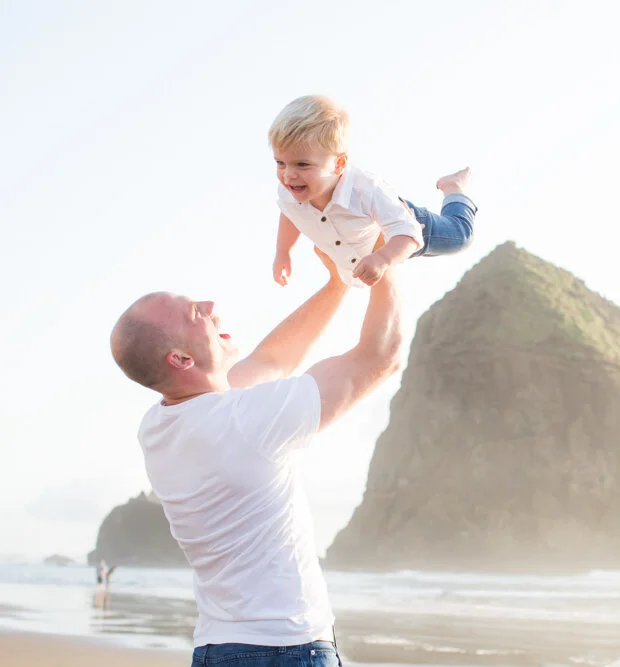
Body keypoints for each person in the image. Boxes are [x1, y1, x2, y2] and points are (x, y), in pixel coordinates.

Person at [109, 245, 404, 666]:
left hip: (217, 648)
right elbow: (381, 357)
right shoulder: (243, 422)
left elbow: (272, 360)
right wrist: (384, 258)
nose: (210, 306)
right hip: (286, 650)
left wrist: (337, 285)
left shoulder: (158, 426)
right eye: (195, 313)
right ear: (182, 359)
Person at [270, 94, 477, 289]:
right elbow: (290, 213)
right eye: (280, 163)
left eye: (302, 164)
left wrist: (382, 258)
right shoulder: (290, 193)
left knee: (460, 237)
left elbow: (409, 232)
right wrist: (283, 252)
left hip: (399, 228)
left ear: (339, 164)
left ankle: (454, 188)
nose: (288, 175)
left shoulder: (366, 191)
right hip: (362, 241)